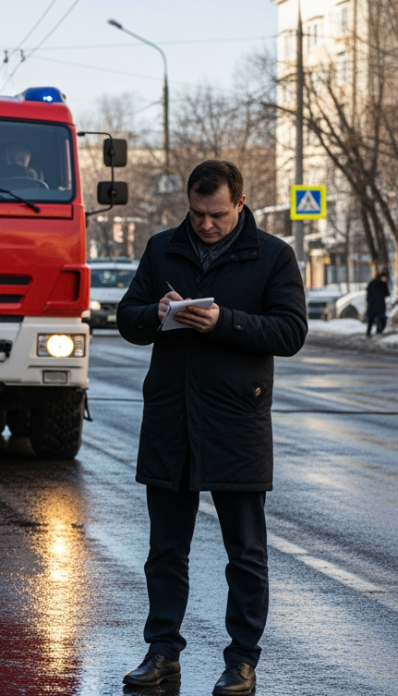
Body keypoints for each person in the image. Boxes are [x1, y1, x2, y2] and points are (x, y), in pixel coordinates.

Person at [116, 160, 307, 695]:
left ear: (239, 204)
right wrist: (156, 313)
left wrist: (224, 321)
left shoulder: (272, 255)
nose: (205, 225)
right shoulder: (162, 248)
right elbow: (127, 318)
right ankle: (161, 653)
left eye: (216, 214)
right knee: (165, 550)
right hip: (171, 420)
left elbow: (291, 331)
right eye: (197, 213)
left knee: (244, 553)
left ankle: (242, 661)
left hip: (236, 422)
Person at [365, 269, 390, 337]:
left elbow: (368, 293)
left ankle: (369, 332)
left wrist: (369, 301)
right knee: (381, 319)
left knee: (371, 319)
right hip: (379, 305)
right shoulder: (382, 284)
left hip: (372, 305)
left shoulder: (372, 283)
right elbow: (387, 293)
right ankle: (378, 331)